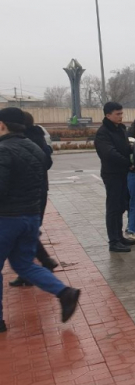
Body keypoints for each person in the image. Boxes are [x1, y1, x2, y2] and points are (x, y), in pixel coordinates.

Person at [0, 107, 81, 333]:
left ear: (2, 125)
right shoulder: (34, 148)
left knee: (20, 265)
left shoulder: (3, 150)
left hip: (7, 219)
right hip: (31, 216)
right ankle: (65, 293)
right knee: (24, 264)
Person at [9, 112, 58, 287]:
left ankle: (33, 269)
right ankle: (42, 263)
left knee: (25, 233)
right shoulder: (35, 138)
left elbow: (46, 162)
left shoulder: (26, 140)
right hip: (34, 191)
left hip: (26, 195)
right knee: (28, 232)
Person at [94, 102, 135, 253]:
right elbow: (109, 153)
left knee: (121, 205)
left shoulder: (120, 129)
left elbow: (124, 147)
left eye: (121, 113)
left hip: (123, 172)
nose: (120, 116)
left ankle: (119, 236)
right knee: (113, 208)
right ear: (108, 115)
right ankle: (113, 241)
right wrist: (127, 163)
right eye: (117, 114)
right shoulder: (103, 133)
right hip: (112, 174)